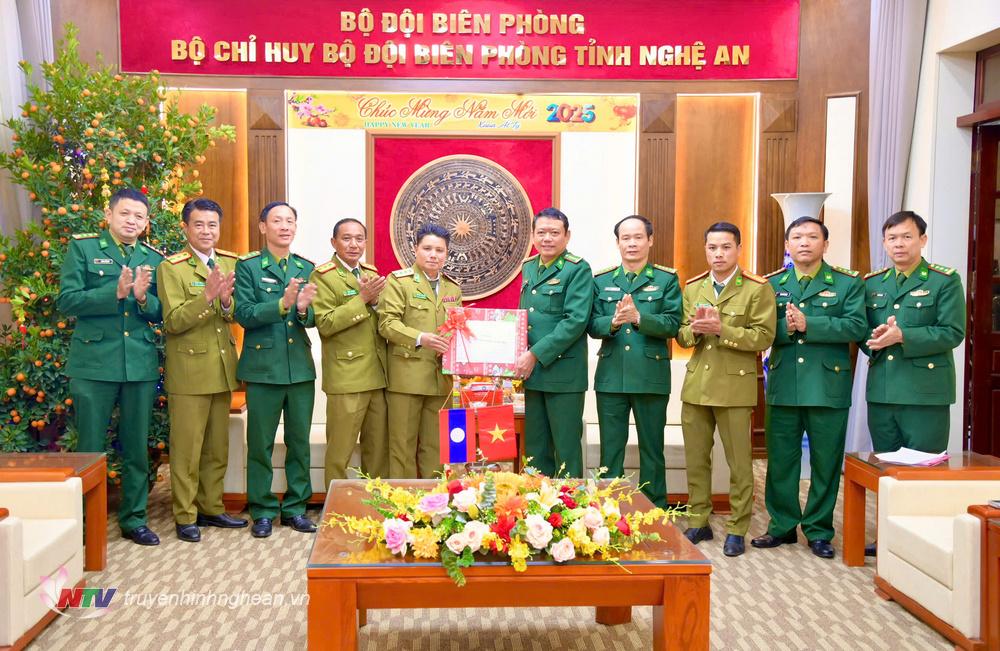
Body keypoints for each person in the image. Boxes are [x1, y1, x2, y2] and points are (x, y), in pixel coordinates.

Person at [750, 217, 866, 559]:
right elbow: (762, 330)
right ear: (787, 245)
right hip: (784, 384)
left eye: (812, 236)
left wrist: (809, 324)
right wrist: (790, 328)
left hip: (828, 385)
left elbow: (857, 326)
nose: (804, 242)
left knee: (825, 462)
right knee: (781, 460)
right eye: (797, 237)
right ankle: (782, 525)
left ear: (825, 245)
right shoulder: (770, 284)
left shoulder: (846, 283)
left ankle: (818, 529)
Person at [57, 187, 165, 546]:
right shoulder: (84, 248)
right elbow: (67, 300)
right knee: (90, 447)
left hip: (139, 364)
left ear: (146, 222)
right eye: (125, 214)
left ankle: (133, 518)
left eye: (139, 216)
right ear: (109, 215)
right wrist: (114, 293)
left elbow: (161, 311)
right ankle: (85, 522)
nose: (131, 221)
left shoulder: (153, 257)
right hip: (93, 364)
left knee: (137, 446)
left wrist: (140, 297)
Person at [676, 221, 776, 557]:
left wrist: (723, 328)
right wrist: (695, 329)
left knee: (739, 463)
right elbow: (682, 336)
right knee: (696, 460)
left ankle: (737, 527)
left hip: (735, 386)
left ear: (738, 248)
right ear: (705, 249)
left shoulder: (756, 288)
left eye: (725, 247)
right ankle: (698, 519)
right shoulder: (693, 287)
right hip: (697, 386)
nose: (718, 254)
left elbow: (764, 337)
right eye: (712, 247)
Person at [158, 199, 247, 543]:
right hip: (190, 373)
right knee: (187, 449)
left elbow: (234, 313)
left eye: (212, 224)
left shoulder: (228, 262)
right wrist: (207, 297)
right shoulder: (173, 267)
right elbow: (173, 321)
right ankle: (185, 514)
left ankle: (211, 507)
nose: (207, 231)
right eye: (199, 224)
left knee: (216, 447)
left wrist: (225, 302)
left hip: (222, 368)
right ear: (185, 228)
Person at [235, 201, 318, 538]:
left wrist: (301, 311)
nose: (285, 226)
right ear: (263, 227)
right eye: (277, 220)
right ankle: (263, 510)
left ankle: (296, 508)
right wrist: (281, 304)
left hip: (299, 368)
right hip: (262, 368)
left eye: (291, 221)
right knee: (261, 444)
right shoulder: (249, 267)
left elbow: (315, 318)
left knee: (300, 442)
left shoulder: (306, 267)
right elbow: (244, 313)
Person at [588, 215, 681, 508]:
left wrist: (640, 318)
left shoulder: (666, 279)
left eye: (638, 237)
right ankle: (609, 510)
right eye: (625, 238)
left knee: (652, 449)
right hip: (612, 376)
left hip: (650, 376)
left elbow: (673, 324)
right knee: (610, 450)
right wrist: (613, 323)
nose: (631, 243)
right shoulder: (602, 280)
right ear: (617, 242)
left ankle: (656, 509)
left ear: (650, 240)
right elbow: (591, 324)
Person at [862, 211, 966, 453]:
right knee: (886, 472)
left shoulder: (943, 280)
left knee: (923, 473)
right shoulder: (872, 283)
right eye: (892, 238)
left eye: (907, 236)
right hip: (882, 393)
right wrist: (875, 336)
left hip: (925, 394)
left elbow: (953, 332)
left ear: (923, 240)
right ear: (884, 243)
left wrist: (902, 335)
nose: (899, 243)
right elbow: (861, 331)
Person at [378, 223, 462, 479]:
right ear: (416, 249)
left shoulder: (452, 288)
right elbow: (387, 324)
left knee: (435, 449)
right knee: (402, 448)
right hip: (407, 378)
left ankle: (431, 507)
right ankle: (401, 511)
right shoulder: (399, 282)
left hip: (441, 381)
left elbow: (458, 328)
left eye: (439, 250)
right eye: (427, 248)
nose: (433, 254)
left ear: (447, 254)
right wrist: (420, 338)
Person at [516, 208, 594, 478]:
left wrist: (534, 354)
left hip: (563, 374)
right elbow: (525, 318)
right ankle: (538, 509)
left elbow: (575, 321)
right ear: (533, 235)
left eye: (554, 233)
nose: (547, 238)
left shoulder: (578, 269)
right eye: (541, 232)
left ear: (567, 236)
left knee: (566, 447)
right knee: (536, 447)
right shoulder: (529, 267)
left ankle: (571, 512)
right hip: (533, 372)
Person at [310, 218, 389, 485]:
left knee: (377, 449)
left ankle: (376, 505)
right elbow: (326, 323)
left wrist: (377, 302)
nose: (353, 244)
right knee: (339, 451)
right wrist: (363, 299)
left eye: (359, 238)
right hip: (347, 377)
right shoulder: (323, 276)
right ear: (334, 242)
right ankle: (335, 509)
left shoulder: (369, 271)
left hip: (377, 375)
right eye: (346, 238)